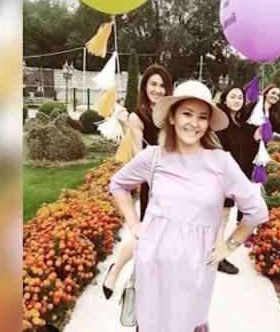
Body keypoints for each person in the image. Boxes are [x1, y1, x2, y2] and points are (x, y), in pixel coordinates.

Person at [109, 81, 269, 332]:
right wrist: (134, 225)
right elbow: (118, 184)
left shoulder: (220, 162)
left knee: (188, 322)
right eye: (187, 114)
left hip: (196, 269)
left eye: (202, 117)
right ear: (172, 117)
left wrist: (229, 245)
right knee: (152, 323)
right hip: (153, 262)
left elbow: (257, 210)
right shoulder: (153, 157)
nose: (194, 123)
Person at [102, 64, 173, 299]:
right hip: (154, 185)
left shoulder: (172, 113)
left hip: (176, 183)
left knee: (164, 236)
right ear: (144, 87)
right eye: (153, 84)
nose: (158, 89)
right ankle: (117, 270)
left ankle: (148, 276)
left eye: (162, 85)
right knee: (146, 233)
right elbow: (137, 157)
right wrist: (125, 125)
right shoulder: (138, 116)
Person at [214, 85, 259, 275]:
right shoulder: (220, 123)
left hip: (235, 179)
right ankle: (217, 256)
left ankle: (215, 252)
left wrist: (256, 138)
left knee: (223, 218)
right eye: (233, 96)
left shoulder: (242, 124)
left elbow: (246, 152)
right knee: (221, 218)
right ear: (225, 99)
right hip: (221, 179)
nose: (236, 100)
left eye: (240, 97)